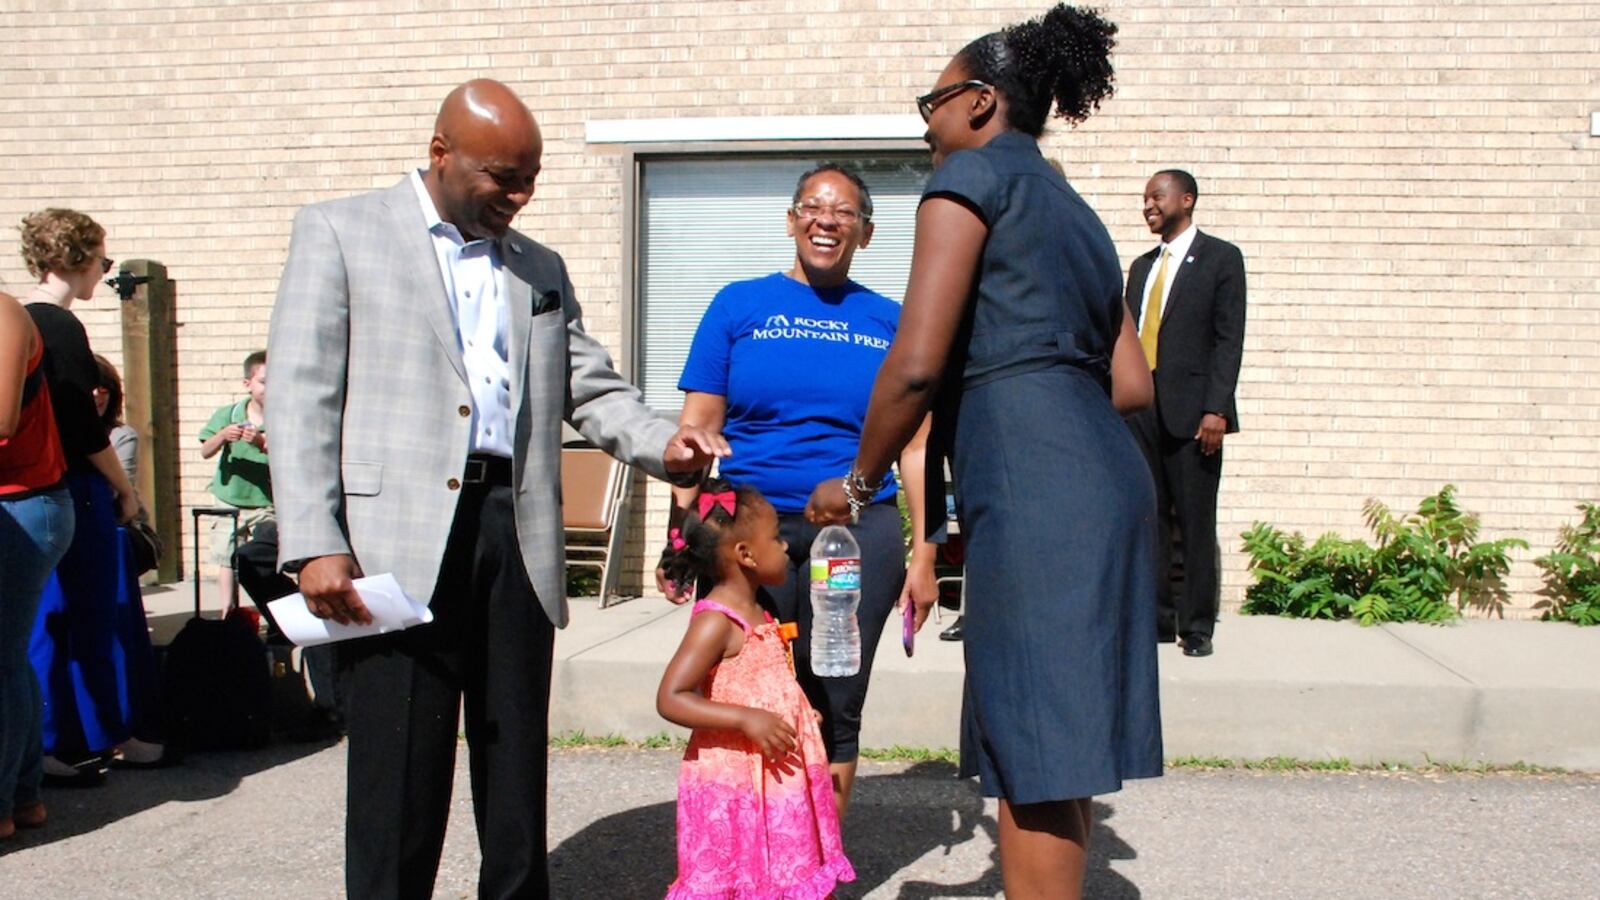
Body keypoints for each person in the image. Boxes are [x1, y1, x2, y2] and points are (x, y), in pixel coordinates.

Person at [267, 78, 725, 899]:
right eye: (502, 177)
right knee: (397, 768)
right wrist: (314, 539)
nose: (520, 195)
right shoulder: (340, 231)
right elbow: (302, 396)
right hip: (393, 539)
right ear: (440, 153)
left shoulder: (538, 266)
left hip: (515, 528)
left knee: (513, 757)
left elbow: (590, 387)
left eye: (531, 177)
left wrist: (669, 445)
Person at [805, 6, 1162, 898]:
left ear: (977, 101)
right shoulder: (1075, 211)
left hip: (1038, 484)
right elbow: (1132, 384)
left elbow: (915, 366)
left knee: (1035, 744)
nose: (924, 121)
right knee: (1061, 743)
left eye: (931, 101)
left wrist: (856, 483)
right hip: (1104, 477)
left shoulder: (965, 184)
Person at [664, 163, 937, 818]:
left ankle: (815, 860)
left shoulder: (889, 321)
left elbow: (918, 445)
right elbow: (697, 429)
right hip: (749, 535)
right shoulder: (739, 305)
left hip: (850, 537)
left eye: (844, 211)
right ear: (791, 220)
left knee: (836, 695)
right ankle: (756, 848)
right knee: (750, 686)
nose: (826, 219)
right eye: (813, 206)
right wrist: (682, 535)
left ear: (865, 233)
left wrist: (925, 555)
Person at [656, 478, 855, 899]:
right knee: (740, 874)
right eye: (776, 538)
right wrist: (745, 718)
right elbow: (671, 697)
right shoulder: (717, 622)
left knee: (780, 873)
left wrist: (797, 709)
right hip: (735, 784)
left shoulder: (761, 610)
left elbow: (761, 679)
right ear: (745, 555)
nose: (785, 547)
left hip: (774, 778)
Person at [19, 209, 165, 780]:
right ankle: (106, 733)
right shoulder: (59, 326)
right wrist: (125, 488)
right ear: (78, 259)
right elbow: (82, 425)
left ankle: (51, 741)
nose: (103, 272)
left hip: (26, 487)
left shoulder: (15, 322)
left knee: (41, 621)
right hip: (74, 488)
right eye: (102, 261)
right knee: (96, 617)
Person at [1125, 169, 1247, 657]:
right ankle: (1156, 621)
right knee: (1148, 518)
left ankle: (1196, 626)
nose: (1148, 205)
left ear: (1186, 199)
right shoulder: (1141, 266)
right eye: (1145, 199)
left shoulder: (1221, 259)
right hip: (1142, 413)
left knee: (1194, 521)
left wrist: (1216, 408)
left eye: (1157, 196)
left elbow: (1228, 339)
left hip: (1194, 414)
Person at [0, 290, 74, 839]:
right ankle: (22, 796)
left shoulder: (3, 314)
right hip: (21, 505)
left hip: (24, 505)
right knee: (7, 657)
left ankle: (7, 801)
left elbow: (1, 418)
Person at [197, 350, 271, 610]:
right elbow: (206, 450)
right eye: (263, 381)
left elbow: (291, 458)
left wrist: (262, 443)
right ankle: (228, 613)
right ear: (247, 384)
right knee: (227, 558)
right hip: (230, 497)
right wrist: (222, 436)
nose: (269, 388)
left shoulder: (282, 417)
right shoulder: (228, 415)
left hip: (266, 502)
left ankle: (272, 611)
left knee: (266, 556)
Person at [92, 355, 137, 483]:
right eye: (89, 386)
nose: (96, 393)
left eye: (104, 387)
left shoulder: (122, 436)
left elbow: (116, 489)